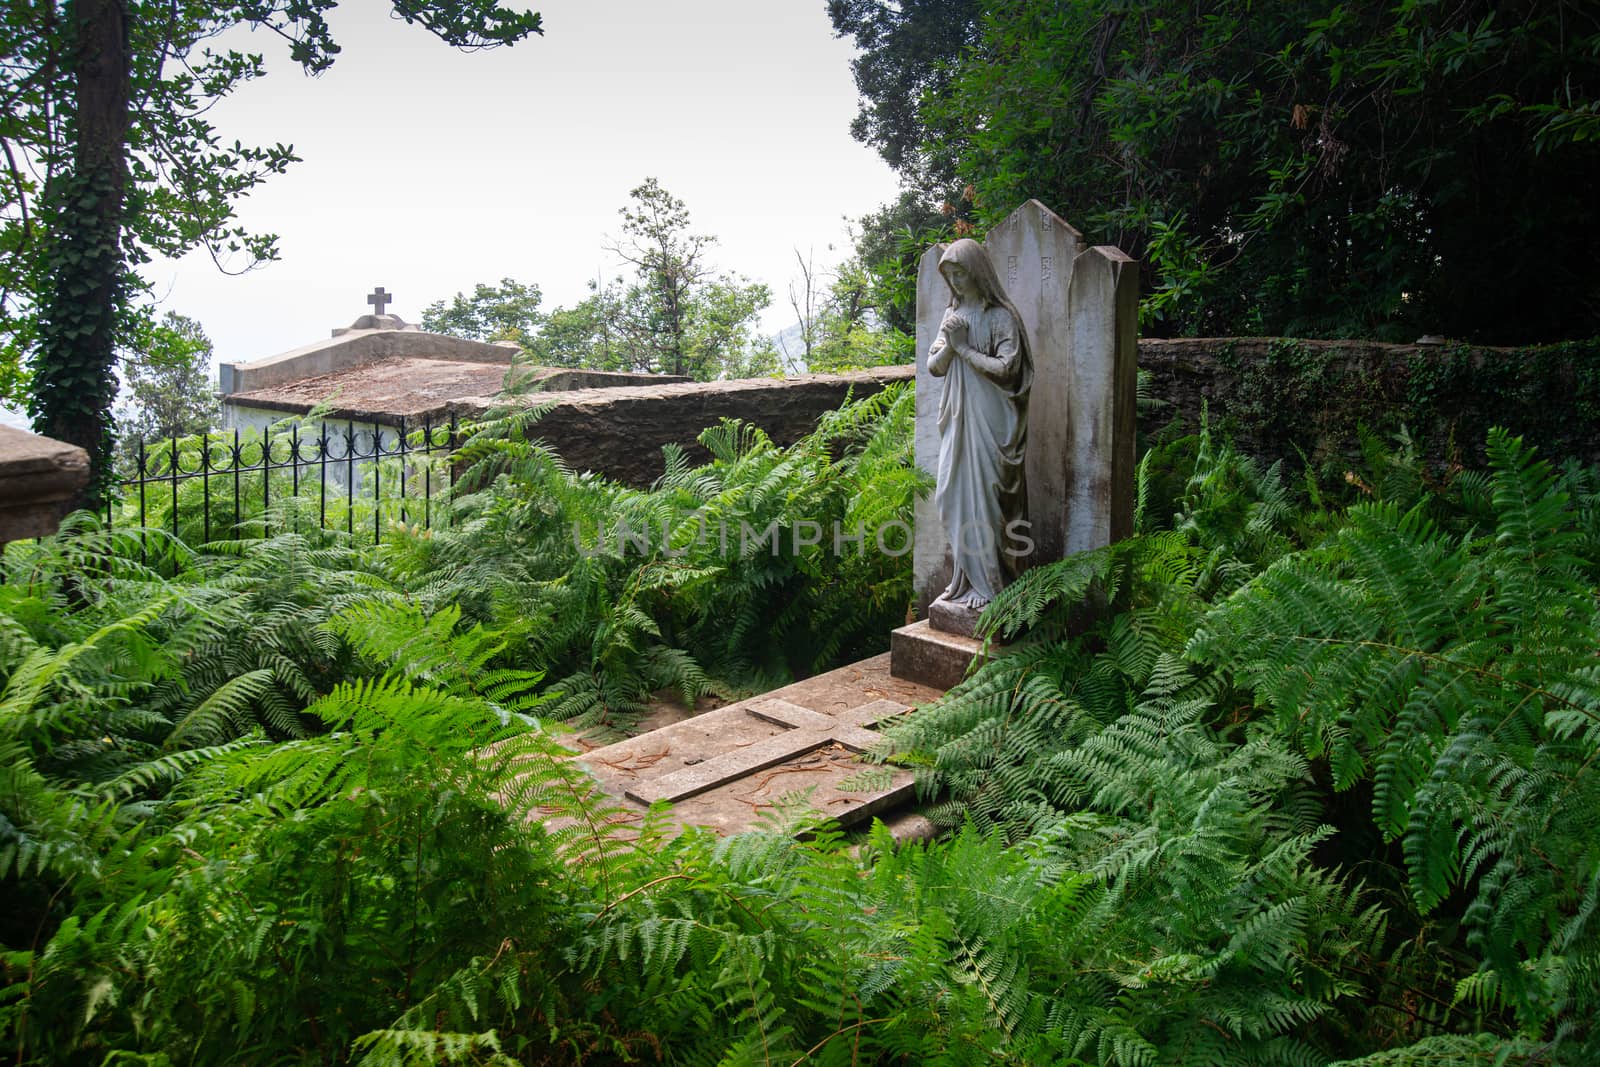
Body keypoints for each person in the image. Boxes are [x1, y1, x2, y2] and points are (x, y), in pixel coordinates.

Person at [927, 238, 1032, 616]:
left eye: (960, 273)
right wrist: (952, 345)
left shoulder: (1002, 316)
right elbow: (934, 366)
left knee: (988, 498)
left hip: (993, 423)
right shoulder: (951, 316)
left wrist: (965, 348)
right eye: (950, 276)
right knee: (950, 495)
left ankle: (992, 585)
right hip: (959, 420)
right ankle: (965, 581)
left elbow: (1007, 369)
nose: (955, 282)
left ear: (977, 272)